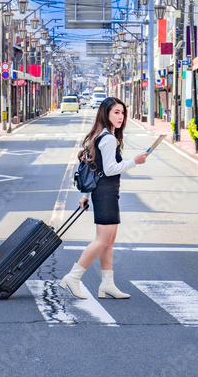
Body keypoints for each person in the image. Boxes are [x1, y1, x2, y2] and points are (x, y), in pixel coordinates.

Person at [60, 96, 148, 299]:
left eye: (122, 112)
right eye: (116, 112)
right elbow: (109, 170)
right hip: (106, 194)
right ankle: (73, 277)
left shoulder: (105, 135)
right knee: (102, 240)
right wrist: (134, 161)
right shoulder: (107, 138)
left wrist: (86, 194)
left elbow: (95, 167)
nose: (120, 116)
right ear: (105, 114)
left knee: (109, 241)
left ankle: (107, 285)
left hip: (106, 193)